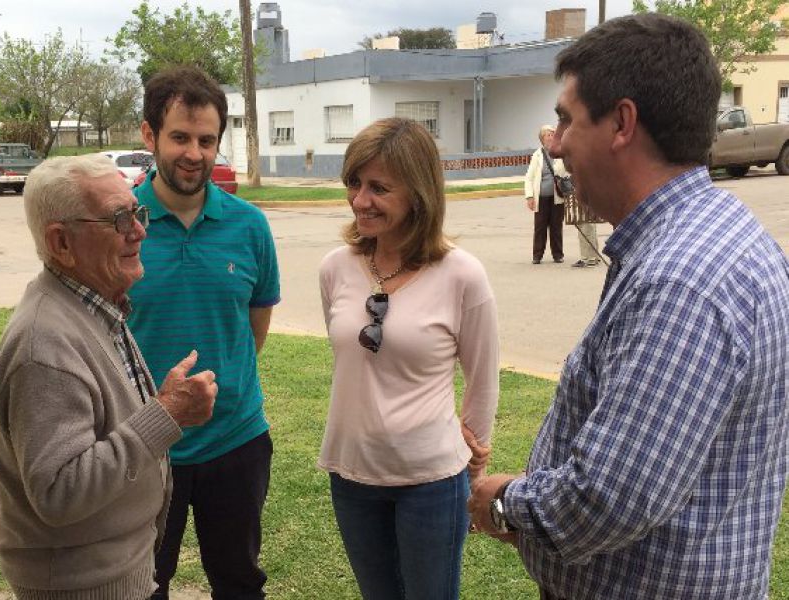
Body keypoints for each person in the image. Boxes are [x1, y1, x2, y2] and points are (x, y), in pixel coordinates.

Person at [468, 13, 789, 600]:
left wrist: (505, 502)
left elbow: (612, 497)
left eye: (566, 119)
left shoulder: (680, 280)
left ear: (621, 123)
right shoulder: (718, 231)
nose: (557, 143)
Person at [0, 154, 219, 600]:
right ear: (62, 243)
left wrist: (158, 408)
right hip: (83, 585)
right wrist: (165, 414)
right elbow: (59, 491)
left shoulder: (93, 303)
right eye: (118, 218)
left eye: (137, 211)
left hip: (112, 572)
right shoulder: (44, 346)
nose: (140, 230)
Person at [318, 117, 499, 600]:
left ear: (418, 194)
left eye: (379, 187)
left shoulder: (462, 275)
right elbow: (351, 361)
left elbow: (482, 381)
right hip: (352, 473)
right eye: (354, 183)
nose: (360, 200)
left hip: (431, 479)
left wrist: (475, 461)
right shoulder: (335, 268)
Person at [128, 66, 281, 600]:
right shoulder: (120, 225)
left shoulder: (250, 226)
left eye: (206, 140)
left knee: (239, 582)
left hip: (235, 442)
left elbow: (254, 329)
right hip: (144, 446)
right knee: (143, 584)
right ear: (149, 135)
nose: (194, 153)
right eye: (179, 137)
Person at [524, 125, 567, 264]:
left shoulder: (560, 153)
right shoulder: (537, 156)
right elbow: (529, 178)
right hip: (541, 197)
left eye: (552, 135)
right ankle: (537, 255)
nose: (550, 137)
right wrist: (530, 196)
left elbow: (567, 172)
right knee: (540, 227)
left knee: (556, 226)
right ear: (542, 139)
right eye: (547, 135)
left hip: (557, 196)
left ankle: (558, 254)